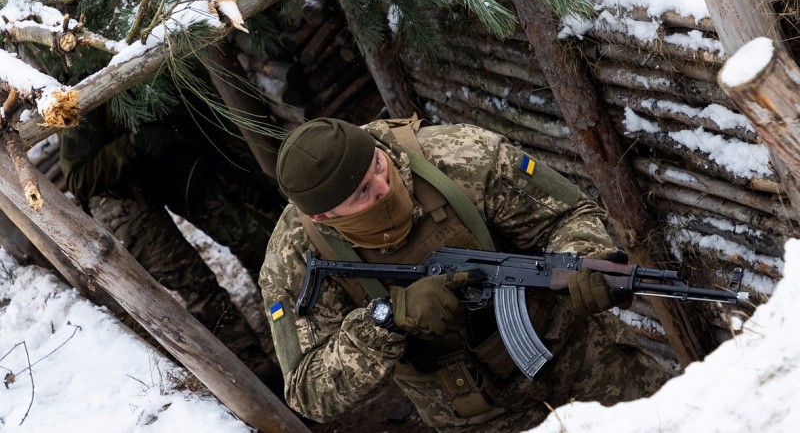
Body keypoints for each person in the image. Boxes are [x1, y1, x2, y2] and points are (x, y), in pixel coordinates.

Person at [259, 117, 673, 432]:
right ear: (323, 215)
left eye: (378, 167)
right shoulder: (295, 259)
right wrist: (385, 320)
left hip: (582, 357)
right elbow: (307, 392)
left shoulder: (459, 155)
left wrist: (584, 259)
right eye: (363, 193)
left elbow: (567, 214)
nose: (384, 187)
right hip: (477, 415)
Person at [60, 101, 284, 394]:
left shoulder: (152, 77)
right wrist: (132, 144)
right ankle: (260, 380)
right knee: (197, 285)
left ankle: (288, 330)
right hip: (120, 195)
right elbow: (78, 178)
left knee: (252, 240)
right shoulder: (80, 95)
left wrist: (237, 170)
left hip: (172, 165)